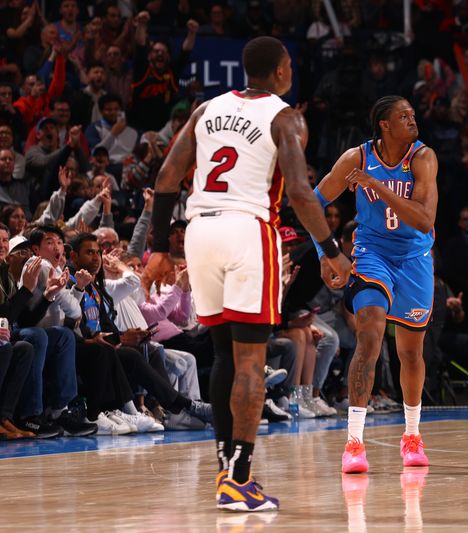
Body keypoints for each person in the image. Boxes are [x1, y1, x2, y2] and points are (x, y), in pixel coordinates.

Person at [141, 36, 351, 512]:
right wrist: (330, 248)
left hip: (199, 231)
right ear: (280, 71)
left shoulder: (206, 110)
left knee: (223, 354)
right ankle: (238, 479)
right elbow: (299, 190)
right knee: (251, 359)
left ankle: (228, 473)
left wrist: (157, 247)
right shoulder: (285, 116)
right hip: (247, 230)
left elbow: (167, 178)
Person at [312, 95, 438, 474]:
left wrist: (377, 186)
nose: (412, 120)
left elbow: (424, 220)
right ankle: (354, 442)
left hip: (414, 259)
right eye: (404, 116)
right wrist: (326, 252)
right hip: (372, 253)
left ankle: (411, 436)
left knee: (411, 352)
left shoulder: (423, 158)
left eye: (413, 114)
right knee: (369, 331)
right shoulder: (357, 157)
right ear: (384, 124)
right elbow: (313, 202)